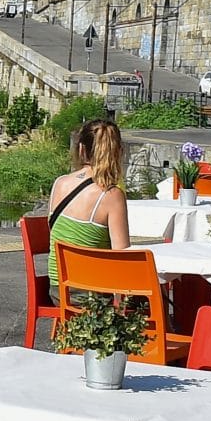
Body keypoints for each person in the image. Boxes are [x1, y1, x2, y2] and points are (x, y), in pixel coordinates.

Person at [43, 118, 131, 294]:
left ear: (81, 149)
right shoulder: (111, 195)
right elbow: (123, 257)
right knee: (156, 296)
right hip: (93, 295)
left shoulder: (59, 183)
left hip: (57, 288)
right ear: (118, 152)